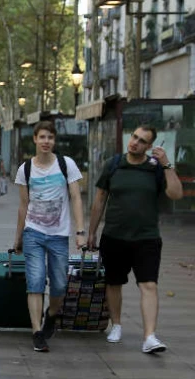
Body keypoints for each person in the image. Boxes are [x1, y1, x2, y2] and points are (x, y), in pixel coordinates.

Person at [87, 125, 183, 354]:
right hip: (114, 235)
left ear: (149, 146)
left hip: (146, 237)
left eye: (142, 141)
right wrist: (91, 232)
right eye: (134, 137)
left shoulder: (155, 168)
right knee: (114, 283)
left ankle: (149, 336)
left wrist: (166, 164)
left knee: (149, 284)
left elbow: (176, 194)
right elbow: (100, 199)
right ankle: (116, 325)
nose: (135, 143)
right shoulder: (114, 164)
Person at [13, 121, 85, 353]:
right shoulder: (25, 169)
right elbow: (23, 205)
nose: (46, 141)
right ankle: (37, 332)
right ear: (35, 139)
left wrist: (80, 232)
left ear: (54, 141)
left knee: (60, 285)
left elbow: (76, 198)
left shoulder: (66, 164)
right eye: (42, 137)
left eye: (50, 137)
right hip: (33, 232)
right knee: (35, 280)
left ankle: (51, 315)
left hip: (58, 234)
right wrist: (18, 238)